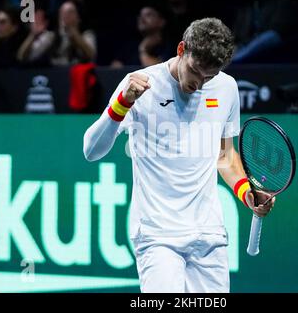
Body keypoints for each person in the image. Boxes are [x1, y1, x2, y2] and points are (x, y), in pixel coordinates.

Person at [83, 18, 275, 293]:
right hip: (157, 235)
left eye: (209, 77)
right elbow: (91, 151)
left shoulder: (227, 87)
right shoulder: (140, 84)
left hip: (209, 234)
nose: (199, 84)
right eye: (196, 71)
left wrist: (247, 193)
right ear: (182, 49)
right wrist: (122, 104)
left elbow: (224, 156)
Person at [50, 1, 96, 66]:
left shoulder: (87, 34)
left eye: (70, 12)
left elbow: (91, 54)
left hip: (79, 73)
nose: (66, 15)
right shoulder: (51, 36)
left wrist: (73, 31)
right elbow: (32, 56)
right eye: (62, 12)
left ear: (78, 16)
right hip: (56, 73)